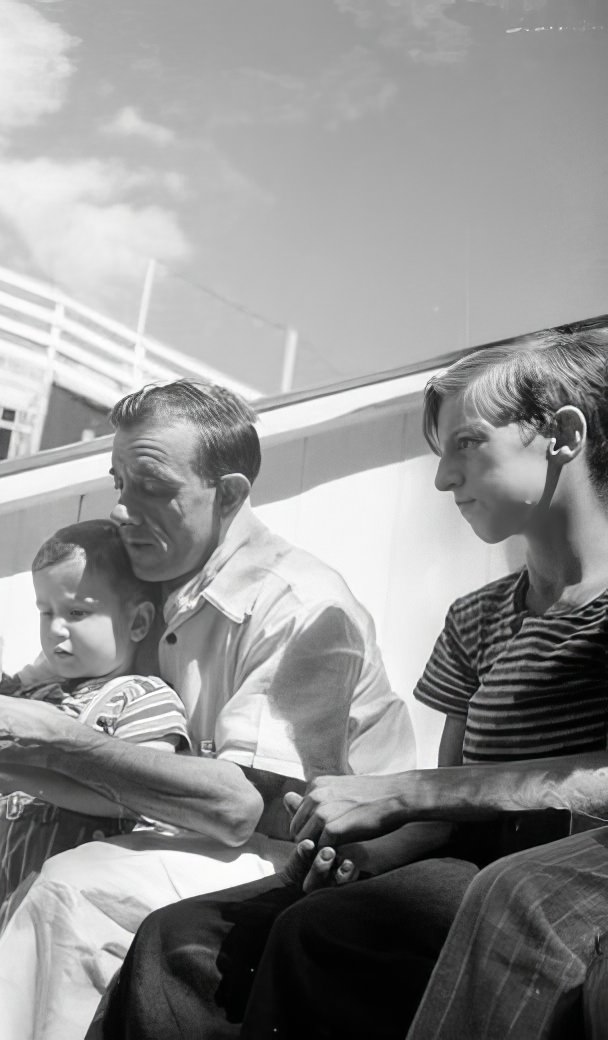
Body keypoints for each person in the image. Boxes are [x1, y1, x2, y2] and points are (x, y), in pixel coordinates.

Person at [0, 380, 415, 1040]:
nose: (124, 508)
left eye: (150, 484)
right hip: (201, 828)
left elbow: (246, 807)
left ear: (231, 495)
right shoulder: (145, 583)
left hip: (307, 857)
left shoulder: (299, 603)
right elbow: (31, 700)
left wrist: (59, 743)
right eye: (118, 482)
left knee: (75, 884)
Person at [99, 329, 608, 1040]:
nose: (442, 479)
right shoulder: (479, 617)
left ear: (562, 434)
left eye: (468, 443)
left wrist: (404, 792)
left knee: (321, 938)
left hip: (562, 871)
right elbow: (452, 800)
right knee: (179, 940)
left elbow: (502, 789)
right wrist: (366, 853)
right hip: (468, 857)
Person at [0, 520, 190, 1036]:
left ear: (139, 621)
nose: (56, 628)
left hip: (68, 914)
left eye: (77, 612)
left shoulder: (143, 697)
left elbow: (132, 798)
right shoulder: (33, 699)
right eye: (46, 612)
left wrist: (23, 776)